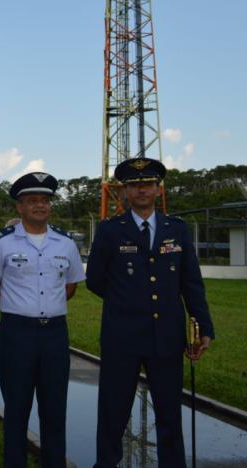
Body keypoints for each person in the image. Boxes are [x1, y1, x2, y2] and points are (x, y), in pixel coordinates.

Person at [87, 157, 214, 468]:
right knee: (113, 411)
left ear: (158, 189)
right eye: (135, 185)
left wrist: (204, 328)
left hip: (167, 337)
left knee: (170, 411)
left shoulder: (178, 230)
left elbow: (192, 284)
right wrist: (128, 301)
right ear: (126, 191)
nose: (142, 190)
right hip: (122, 336)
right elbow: (95, 280)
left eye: (148, 185)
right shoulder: (110, 231)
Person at [0, 172, 85, 468]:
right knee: (16, 409)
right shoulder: (2, 243)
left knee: (54, 410)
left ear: (50, 205)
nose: (39, 205)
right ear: (20, 207)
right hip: (17, 334)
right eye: (31, 201)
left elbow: (70, 285)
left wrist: (46, 306)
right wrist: (19, 307)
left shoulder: (65, 243)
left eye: (44, 200)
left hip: (54, 334)